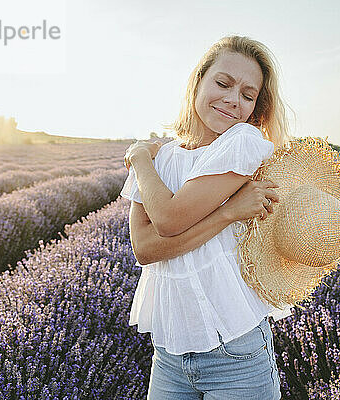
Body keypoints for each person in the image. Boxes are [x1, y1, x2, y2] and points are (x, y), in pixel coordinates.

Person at [120, 35, 294, 399]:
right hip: (169, 354)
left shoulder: (240, 141)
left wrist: (138, 160)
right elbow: (146, 249)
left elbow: (166, 220)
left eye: (248, 95)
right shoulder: (161, 158)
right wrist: (229, 212)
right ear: (199, 79)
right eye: (223, 83)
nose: (233, 100)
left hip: (236, 351)